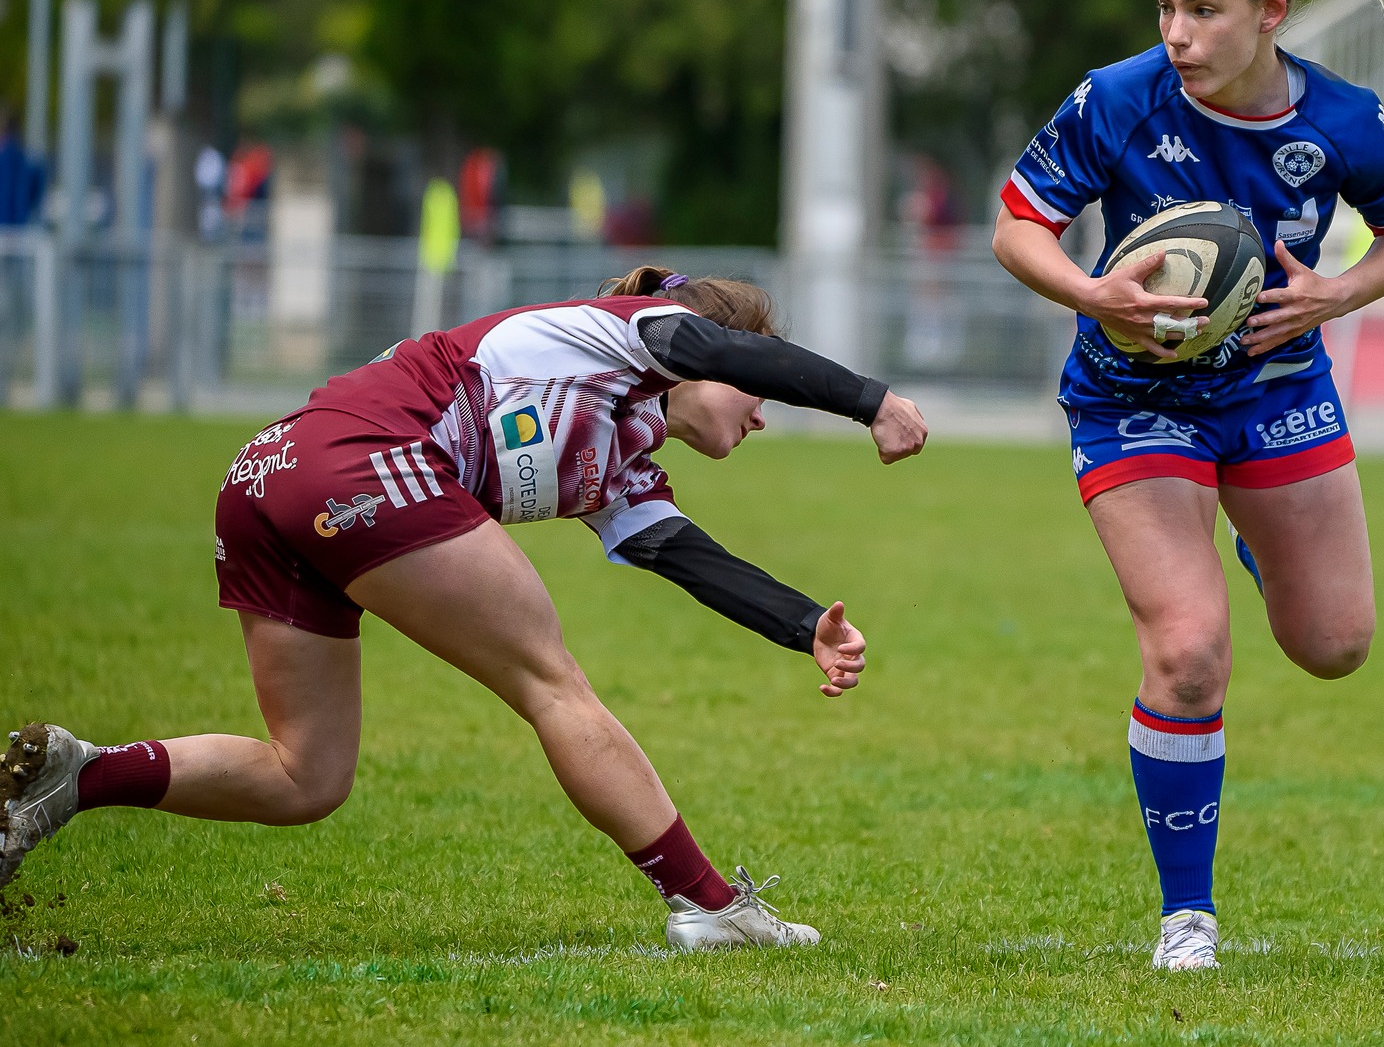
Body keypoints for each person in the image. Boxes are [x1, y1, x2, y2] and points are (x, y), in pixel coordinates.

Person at [1, 268, 928, 951]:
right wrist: (870, 400)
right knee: (551, 682)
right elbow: (715, 344)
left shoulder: (627, 456)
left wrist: (804, 623)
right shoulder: (629, 335)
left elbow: (684, 555)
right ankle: (709, 905)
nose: (762, 411)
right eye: (758, 387)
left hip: (265, 477)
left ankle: (80, 776)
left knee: (307, 776)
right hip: (358, 461)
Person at [990, 0, 1384, 970]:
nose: (1176, 35)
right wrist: (1094, 291)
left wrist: (1336, 291)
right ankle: (1186, 917)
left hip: (1274, 391)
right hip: (1133, 396)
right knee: (1189, 645)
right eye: (1163, 8)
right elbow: (1015, 227)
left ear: (1270, 13)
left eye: (1203, 12)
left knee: (1333, 644)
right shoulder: (1114, 101)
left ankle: (1262, 536)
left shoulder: (1346, 121)